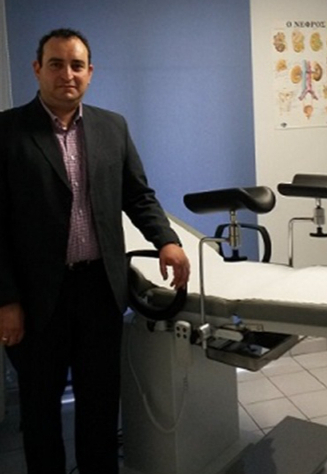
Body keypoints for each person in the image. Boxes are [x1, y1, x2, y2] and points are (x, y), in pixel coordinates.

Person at [0, 28, 191, 474]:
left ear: (90, 72)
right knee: (40, 410)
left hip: (99, 291)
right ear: (37, 69)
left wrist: (166, 240)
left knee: (101, 405)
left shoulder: (112, 127)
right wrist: (6, 300)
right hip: (36, 298)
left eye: (77, 65)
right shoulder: (7, 132)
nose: (67, 74)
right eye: (56, 64)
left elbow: (138, 195)